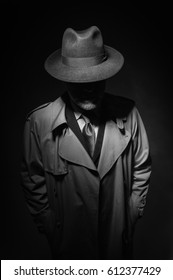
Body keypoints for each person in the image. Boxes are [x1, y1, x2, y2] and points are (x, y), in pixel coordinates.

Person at [21, 26, 152, 260]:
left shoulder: (129, 113)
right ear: (64, 78)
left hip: (116, 241)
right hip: (69, 245)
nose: (88, 88)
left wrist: (131, 213)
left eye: (95, 79)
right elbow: (33, 177)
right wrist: (49, 223)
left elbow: (142, 166)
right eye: (78, 81)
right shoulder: (38, 123)